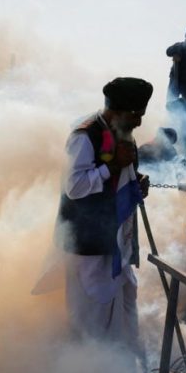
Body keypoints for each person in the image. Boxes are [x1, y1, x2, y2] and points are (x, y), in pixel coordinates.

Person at [56, 77, 152, 352]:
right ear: (119, 110)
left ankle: (121, 363)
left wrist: (137, 180)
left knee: (124, 300)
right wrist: (112, 168)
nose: (139, 123)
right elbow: (74, 186)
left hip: (114, 239)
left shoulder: (122, 131)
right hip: (88, 241)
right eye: (136, 115)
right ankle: (90, 372)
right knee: (92, 312)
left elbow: (120, 171)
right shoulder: (85, 135)